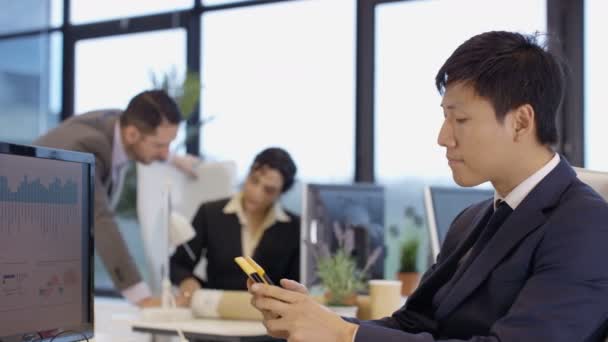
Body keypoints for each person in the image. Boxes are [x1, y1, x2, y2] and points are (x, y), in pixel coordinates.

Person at [248, 31, 608, 341]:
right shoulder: (472, 220)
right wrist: (316, 323)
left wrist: (345, 335)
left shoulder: (587, 225)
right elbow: (412, 324)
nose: (443, 137)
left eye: (461, 119)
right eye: (444, 117)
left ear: (521, 121)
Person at [34, 89, 200, 307]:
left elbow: (148, 139)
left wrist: (174, 160)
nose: (163, 153)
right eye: (160, 146)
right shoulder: (85, 147)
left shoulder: (121, 123)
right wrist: (143, 298)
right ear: (132, 134)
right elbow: (100, 219)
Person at [170, 147, 300, 303]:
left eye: (269, 190)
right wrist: (188, 282)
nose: (256, 192)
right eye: (254, 180)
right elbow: (178, 264)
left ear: (281, 193)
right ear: (248, 174)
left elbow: (295, 283)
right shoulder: (210, 213)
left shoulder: (293, 227)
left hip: (267, 314)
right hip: (217, 309)